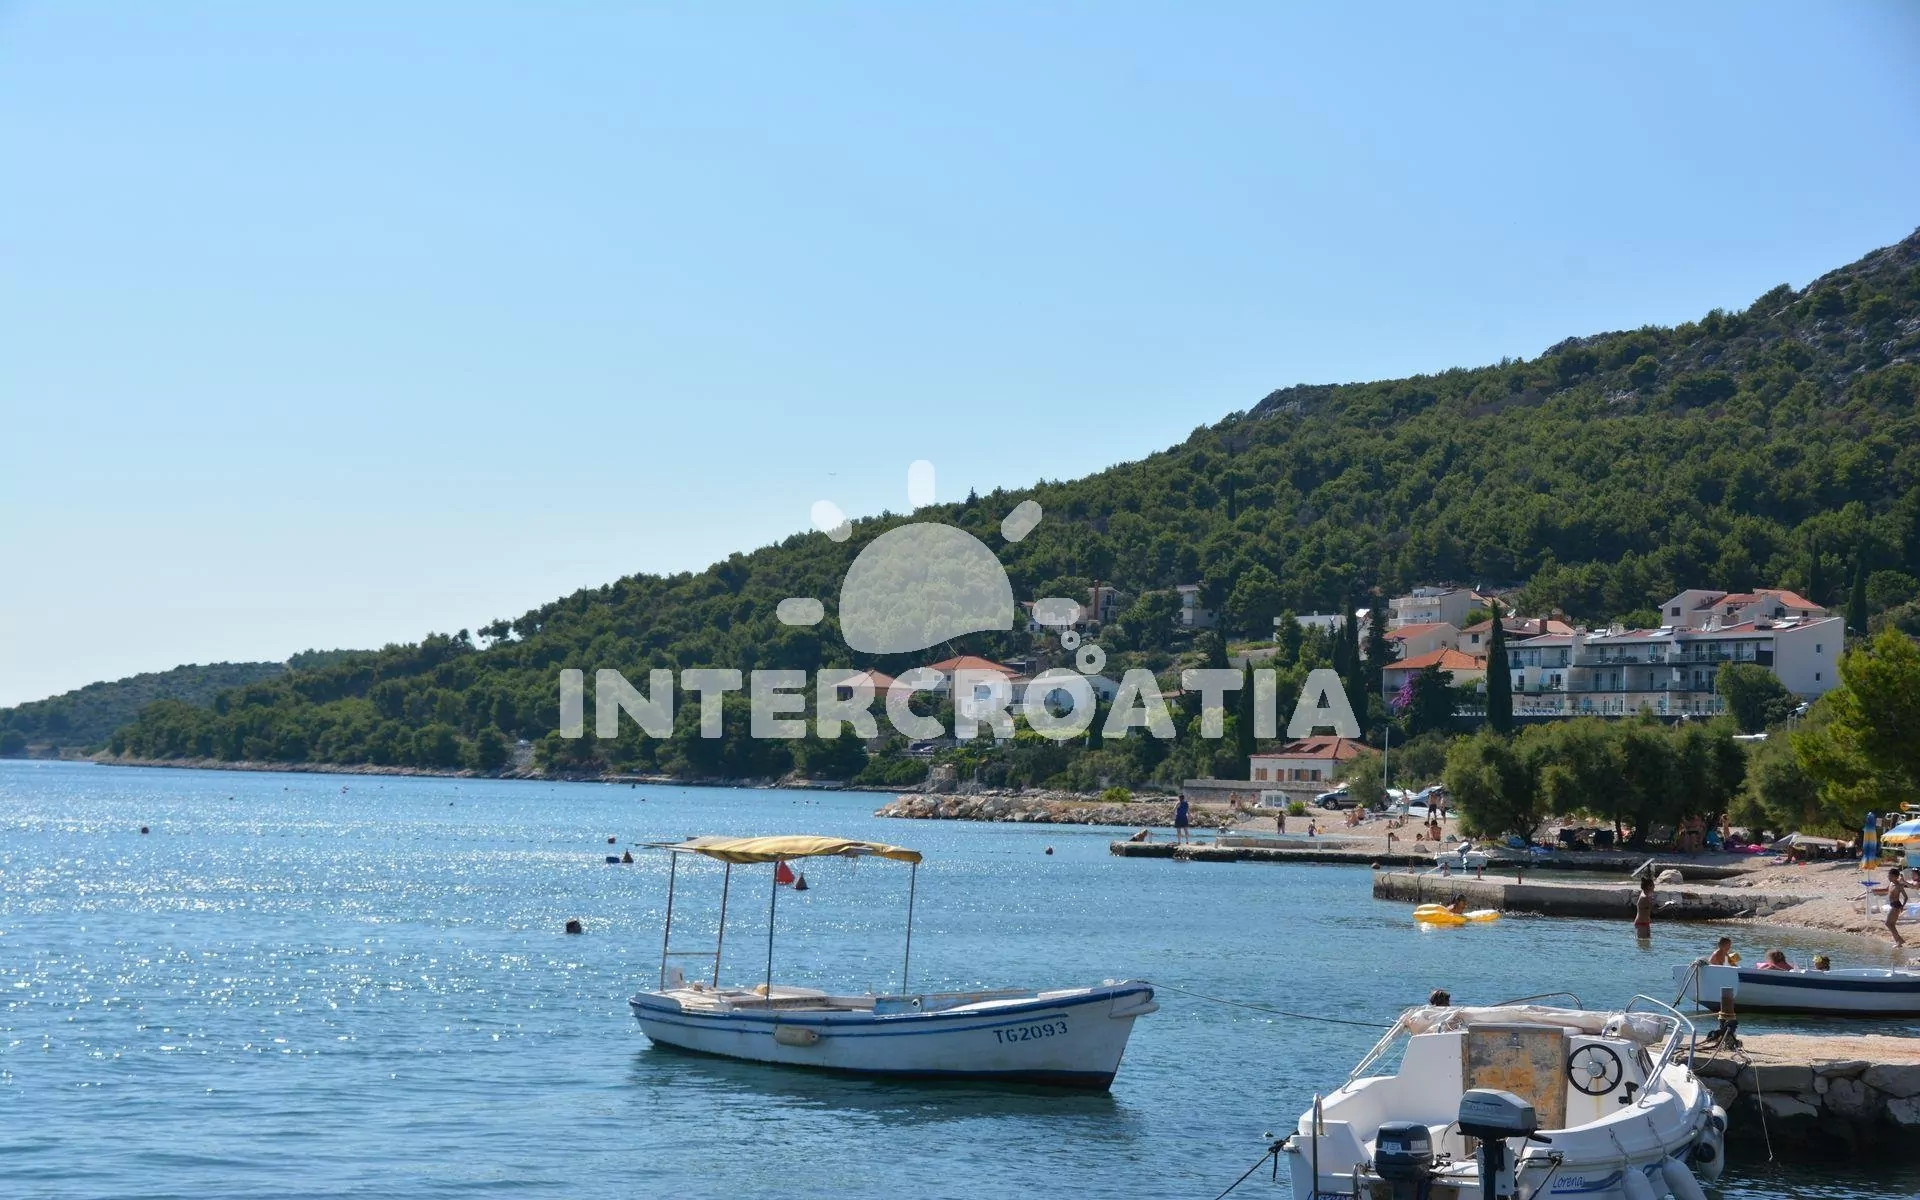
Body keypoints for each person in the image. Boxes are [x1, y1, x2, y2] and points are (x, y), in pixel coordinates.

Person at [1889, 866, 1909, 946]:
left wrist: (1902, 906)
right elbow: (1888, 892)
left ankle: (1899, 941)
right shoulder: (1891, 884)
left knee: (1888, 923)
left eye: (1890, 876)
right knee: (1891, 924)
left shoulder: (1899, 886)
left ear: (1895, 877)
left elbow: (1906, 897)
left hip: (1896, 905)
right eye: (1888, 876)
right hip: (1893, 905)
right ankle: (1899, 941)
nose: (1888, 877)